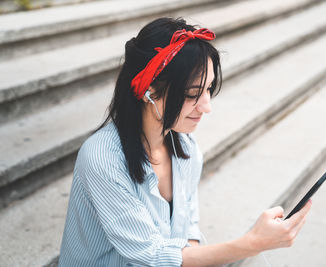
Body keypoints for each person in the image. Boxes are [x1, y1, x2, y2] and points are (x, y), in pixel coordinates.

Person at [58, 17, 312, 267]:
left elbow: (188, 231)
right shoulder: (102, 158)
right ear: (148, 90)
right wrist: (253, 242)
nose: (206, 106)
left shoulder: (186, 148)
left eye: (209, 89)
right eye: (192, 94)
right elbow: (151, 255)